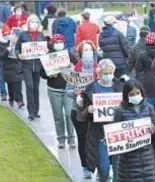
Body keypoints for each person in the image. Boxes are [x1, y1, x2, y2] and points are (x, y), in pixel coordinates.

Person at [79, 59, 122, 182]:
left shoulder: (120, 86)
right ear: (99, 73)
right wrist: (88, 110)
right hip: (99, 133)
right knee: (103, 168)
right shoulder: (91, 88)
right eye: (105, 73)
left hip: (117, 132)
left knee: (118, 168)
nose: (108, 75)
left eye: (110, 73)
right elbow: (81, 114)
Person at [114, 79, 155, 182]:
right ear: (126, 96)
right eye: (132, 94)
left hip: (147, 159)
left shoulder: (148, 108)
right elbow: (114, 135)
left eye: (137, 93)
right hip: (128, 161)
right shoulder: (119, 111)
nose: (135, 96)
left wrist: (153, 129)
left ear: (141, 92)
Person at [66, 40, 98, 179]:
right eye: (85, 50)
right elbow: (67, 91)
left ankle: (101, 168)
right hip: (79, 111)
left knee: (98, 140)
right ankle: (85, 166)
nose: (88, 52)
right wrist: (75, 93)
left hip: (97, 110)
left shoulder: (99, 69)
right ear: (80, 53)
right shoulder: (74, 71)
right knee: (84, 139)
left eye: (90, 50)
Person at [40, 34, 76, 149]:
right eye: (56, 42)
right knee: (58, 116)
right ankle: (61, 138)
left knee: (68, 115)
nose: (59, 44)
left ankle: (71, 138)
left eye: (61, 42)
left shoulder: (68, 55)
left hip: (68, 89)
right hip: (54, 90)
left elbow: (77, 67)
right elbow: (42, 73)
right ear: (52, 43)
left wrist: (72, 68)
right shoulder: (48, 56)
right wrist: (49, 75)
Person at [15, 15, 47, 121]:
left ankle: (36, 110)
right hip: (26, 65)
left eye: (36, 22)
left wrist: (46, 51)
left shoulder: (41, 35)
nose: (34, 24)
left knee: (36, 88)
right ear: (28, 23)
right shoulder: (23, 35)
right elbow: (17, 48)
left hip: (37, 65)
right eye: (32, 22)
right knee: (29, 86)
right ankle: (31, 112)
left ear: (38, 24)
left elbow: (46, 48)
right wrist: (19, 55)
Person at [135, 32, 155, 128]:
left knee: (146, 106)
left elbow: (138, 69)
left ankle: (146, 125)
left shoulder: (142, 55)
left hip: (146, 82)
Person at [0, 24, 24, 108]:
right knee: (11, 86)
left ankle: (19, 100)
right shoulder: (0, 44)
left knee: (18, 85)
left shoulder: (15, 41)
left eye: (9, 34)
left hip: (17, 66)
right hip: (7, 68)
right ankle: (11, 99)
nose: (8, 36)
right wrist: (7, 50)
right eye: (6, 35)